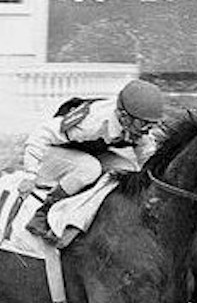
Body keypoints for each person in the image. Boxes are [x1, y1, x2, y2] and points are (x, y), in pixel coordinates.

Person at [21, 79, 165, 243]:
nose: (148, 129)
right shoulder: (92, 121)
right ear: (124, 117)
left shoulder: (137, 127)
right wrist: (30, 175)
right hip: (51, 153)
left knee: (127, 170)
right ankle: (44, 214)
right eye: (144, 123)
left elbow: (148, 157)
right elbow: (41, 134)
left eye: (152, 124)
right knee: (89, 168)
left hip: (83, 152)